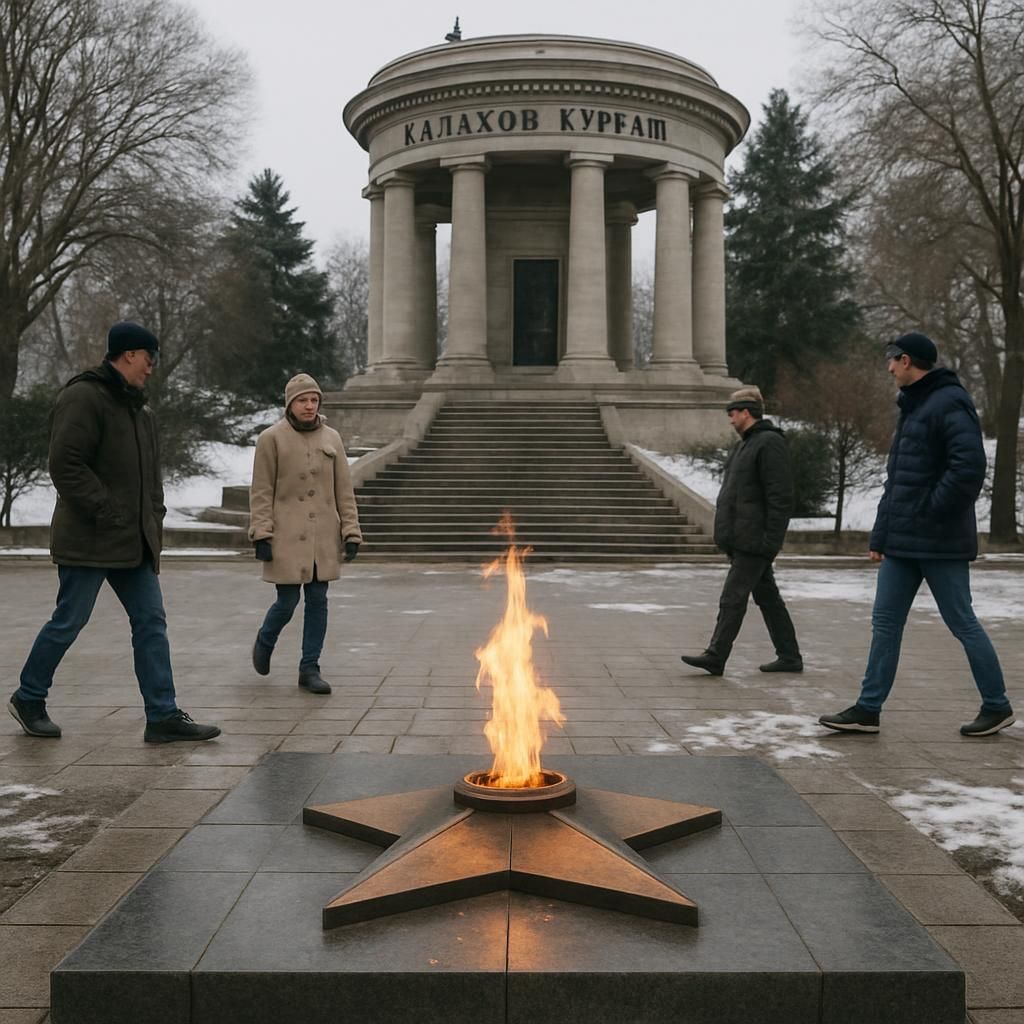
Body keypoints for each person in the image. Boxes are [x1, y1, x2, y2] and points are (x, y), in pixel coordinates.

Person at [7, 322, 221, 743]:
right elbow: (65, 464)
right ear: (128, 354)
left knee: (151, 621)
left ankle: (162, 716)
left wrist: (152, 517)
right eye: (149, 358)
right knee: (70, 620)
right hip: (89, 537)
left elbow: (151, 480)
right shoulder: (83, 397)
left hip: (132, 540)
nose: (152, 368)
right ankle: (29, 697)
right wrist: (106, 510)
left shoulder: (141, 412)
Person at [820, 332, 1015, 737]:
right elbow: (899, 481)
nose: (888, 368)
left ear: (907, 360)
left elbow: (968, 469)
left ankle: (996, 706)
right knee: (885, 622)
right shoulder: (914, 406)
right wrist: (881, 534)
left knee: (961, 621)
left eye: (892, 361)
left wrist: (929, 512)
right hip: (904, 542)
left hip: (939, 541)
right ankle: (868, 709)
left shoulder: (949, 402)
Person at [248, 373, 362, 694]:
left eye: (314, 400)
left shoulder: (332, 439)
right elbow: (261, 491)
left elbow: (344, 491)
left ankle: (309, 668)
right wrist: (261, 534)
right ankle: (265, 638)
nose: (310, 406)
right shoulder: (271, 438)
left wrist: (351, 532)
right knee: (286, 601)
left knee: (317, 599)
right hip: (285, 535)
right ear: (290, 404)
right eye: (303, 400)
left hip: (322, 536)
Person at [681, 386, 802, 676]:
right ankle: (789, 656)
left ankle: (716, 655)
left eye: (732, 413)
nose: (730, 420)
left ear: (746, 413)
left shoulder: (769, 443)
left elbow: (781, 496)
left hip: (755, 539)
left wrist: (770, 541)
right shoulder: (747, 444)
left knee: (732, 597)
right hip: (744, 537)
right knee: (768, 598)